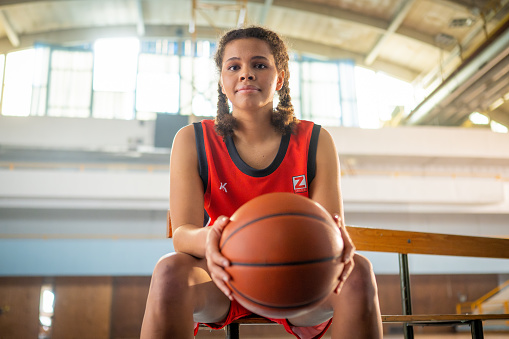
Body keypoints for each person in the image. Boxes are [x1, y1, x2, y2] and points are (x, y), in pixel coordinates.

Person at [141, 26, 382, 339]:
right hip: (222, 276)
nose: (246, 74)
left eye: (259, 65)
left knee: (359, 271)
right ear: (222, 81)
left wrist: (337, 240)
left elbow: (330, 226)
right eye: (234, 67)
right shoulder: (192, 140)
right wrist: (213, 237)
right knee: (168, 271)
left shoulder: (315, 141)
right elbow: (183, 234)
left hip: (299, 276)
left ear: (279, 79)